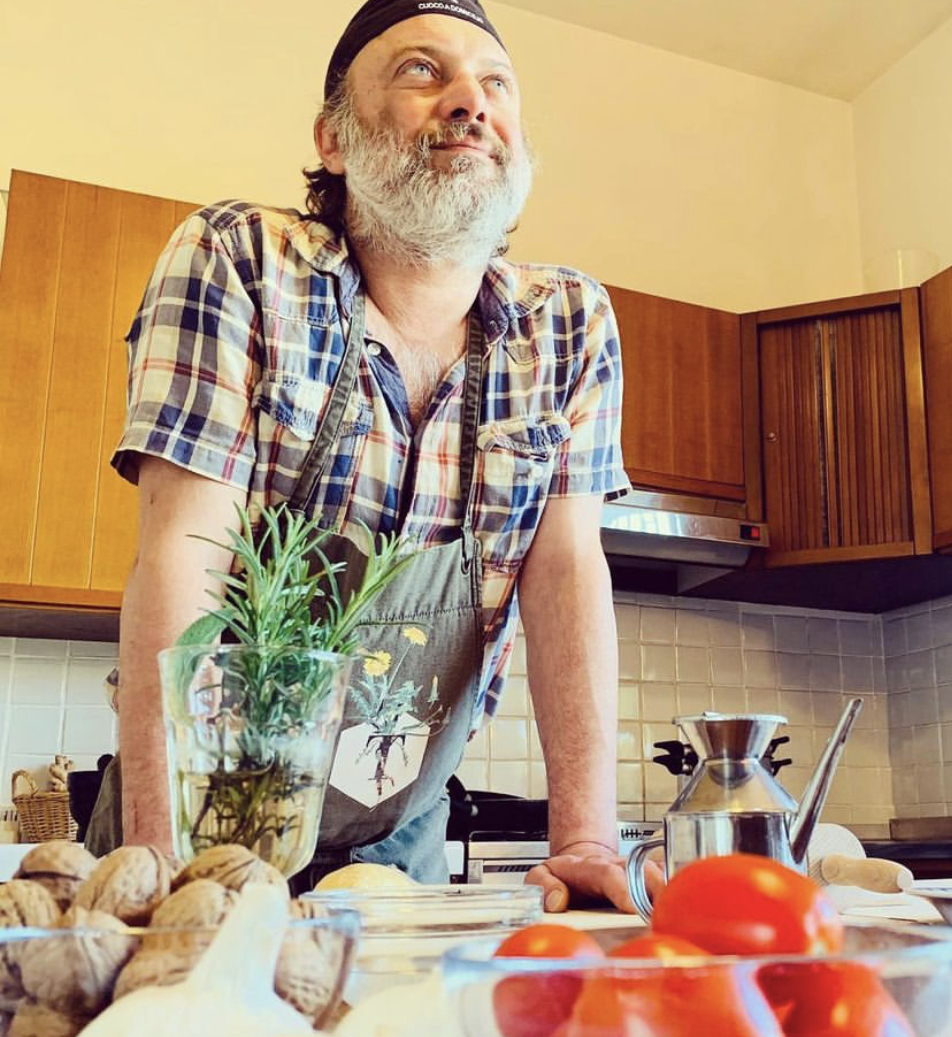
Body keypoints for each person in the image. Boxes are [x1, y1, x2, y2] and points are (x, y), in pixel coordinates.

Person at [91, 0, 640, 912]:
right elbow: (185, 551)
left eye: (495, 83)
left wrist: (585, 840)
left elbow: (568, 570)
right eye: (423, 72)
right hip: (200, 819)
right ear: (334, 139)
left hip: (397, 848)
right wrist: (161, 867)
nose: (470, 99)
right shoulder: (241, 261)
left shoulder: (571, 323)